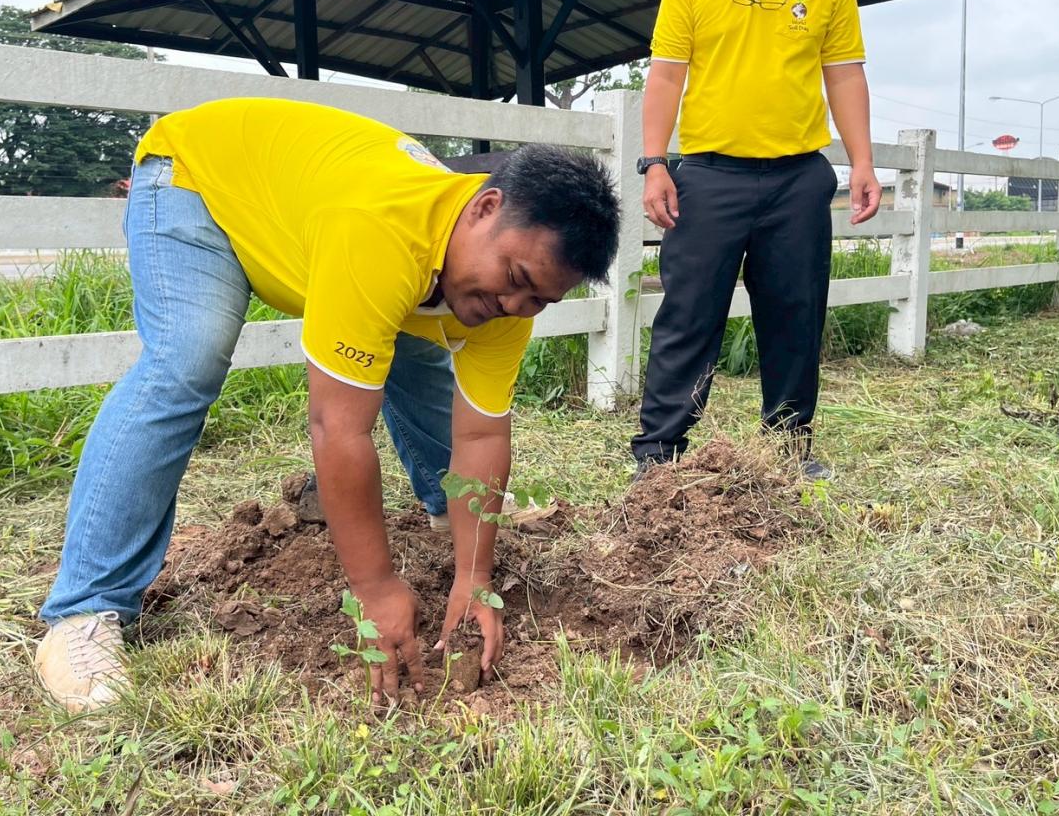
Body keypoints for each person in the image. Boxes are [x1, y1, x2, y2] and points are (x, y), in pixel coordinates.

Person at [34, 97, 620, 711]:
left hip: (323, 216)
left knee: (419, 352)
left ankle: (444, 513)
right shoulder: (381, 229)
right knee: (187, 359)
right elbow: (338, 427)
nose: (514, 306)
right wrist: (375, 588)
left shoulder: (507, 291)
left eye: (539, 301)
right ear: (486, 207)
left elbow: (481, 437)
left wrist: (474, 577)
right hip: (197, 179)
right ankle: (84, 612)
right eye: (516, 279)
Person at [632, 0, 882, 479]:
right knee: (687, 315)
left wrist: (863, 162)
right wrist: (655, 162)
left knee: (796, 313)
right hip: (708, 177)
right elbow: (665, 75)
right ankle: (659, 455)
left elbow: (844, 73)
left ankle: (791, 448)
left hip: (798, 177)